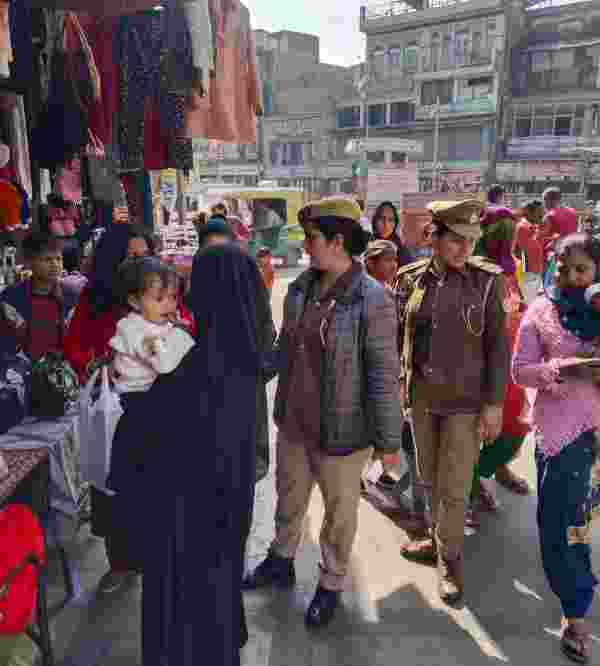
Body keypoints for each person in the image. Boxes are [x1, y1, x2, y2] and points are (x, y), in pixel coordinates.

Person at [243, 197, 403, 628]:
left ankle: (331, 583)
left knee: (338, 514)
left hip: (344, 430)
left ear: (337, 241)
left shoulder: (373, 298)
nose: (305, 244)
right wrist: (247, 370)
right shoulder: (300, 288)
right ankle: (281, 560)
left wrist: (389, 442)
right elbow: (285, 347)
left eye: (312, 237)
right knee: (289, 500)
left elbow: (384, 375)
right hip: (295, 422)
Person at [116, 245, 270, 666]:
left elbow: (141, 437)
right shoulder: (245, 358)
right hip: (229, 506)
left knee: (184, 609)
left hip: (181, 521)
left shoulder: (188, 363)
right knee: (219, 590)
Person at [64, 224, 193, 594]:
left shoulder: (162, 295)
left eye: (145, 254)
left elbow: (182, 329)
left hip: (161, 406)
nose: (140, 262)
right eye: (131, 256)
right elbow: (74, 346)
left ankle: (158, 556)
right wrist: (98, 360)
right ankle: (120, 562)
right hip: (116, 405)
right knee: (115, 488)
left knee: (157, 487)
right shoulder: (96, 299)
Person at [395, 199, 510, 605]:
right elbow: (399, 338)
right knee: (428, 478)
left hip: (466, 402)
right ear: (435, 237)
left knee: (456, 485)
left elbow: (498, 347)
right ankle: (437, 538)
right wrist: (399, 389)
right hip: (422, 399)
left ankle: (451, 559)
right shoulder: (409, 279)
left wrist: (494, 404)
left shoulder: (487, 282)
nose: (465, 249)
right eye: (456, 240)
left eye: (471, 241)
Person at [513, 233, 600, 664]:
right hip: (562, 436)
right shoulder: (540, 311)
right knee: (563, 526)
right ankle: (575, 610)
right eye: (563, 269)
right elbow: (520, 371)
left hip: (596, 439)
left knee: (582, 523)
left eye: (581, 270)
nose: (570, 278)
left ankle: (577, 590)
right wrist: (564, 368)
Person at [0, 233, 79, 359]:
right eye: (47, 260)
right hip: (21, 365)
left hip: (64, 364)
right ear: (29, 263)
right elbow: (6, 345)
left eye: (58, 259)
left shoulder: (72, 295)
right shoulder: (11, 298)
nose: (55, 265)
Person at [515, 200, 545, 304]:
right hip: (528, 275)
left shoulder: (532, 227)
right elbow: (522, 253)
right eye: (539, 212)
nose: (542, 215)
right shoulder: (523, 228)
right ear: (529, 213)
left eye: (543, 211)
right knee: (528, 304)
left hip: (533, 274)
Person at [540, 187, 578, 257]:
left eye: (544, 200)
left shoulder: (549, 216)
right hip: (573, 251)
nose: (543, 203)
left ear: (547, 200)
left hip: (555, 255)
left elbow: (542, 238)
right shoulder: (572, 211)